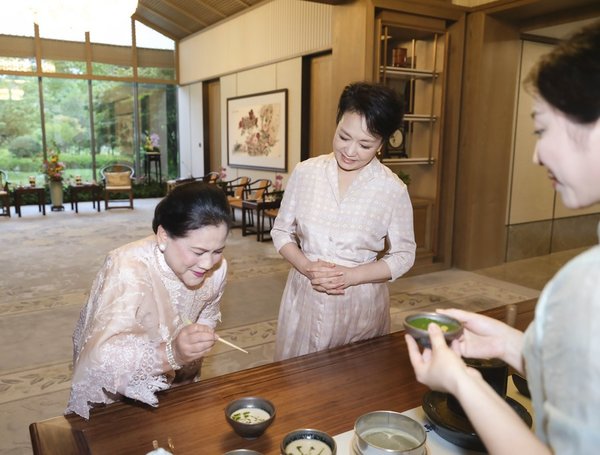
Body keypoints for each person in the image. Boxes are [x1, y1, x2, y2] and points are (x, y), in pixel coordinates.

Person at [405, 21, 600, 454]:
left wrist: (461, 379)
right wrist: (513, 346)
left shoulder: (587, 285)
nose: (535, 154)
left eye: (541, 129)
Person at [271, 81, 416, 360]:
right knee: (298, 380)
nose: (349, 151)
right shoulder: (306, 172)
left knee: (354, 384)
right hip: (305, 295)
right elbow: (281, 231)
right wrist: (306, 266)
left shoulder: (392, 189)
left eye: (365, 144)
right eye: (343, 136)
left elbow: (404, 255)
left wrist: (352, 276)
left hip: (360, 302)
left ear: (382, 144)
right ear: (337, 123)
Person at [66, 182, 232, 419]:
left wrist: (201, 334)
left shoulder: (218, 269)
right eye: (197, 252)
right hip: (120, 399)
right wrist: (172, 354)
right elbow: (100, 361)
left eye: (218, 251)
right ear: (164, 236)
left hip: (182, 382)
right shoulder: (127, 268)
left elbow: (208, 310)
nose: (208, 264)